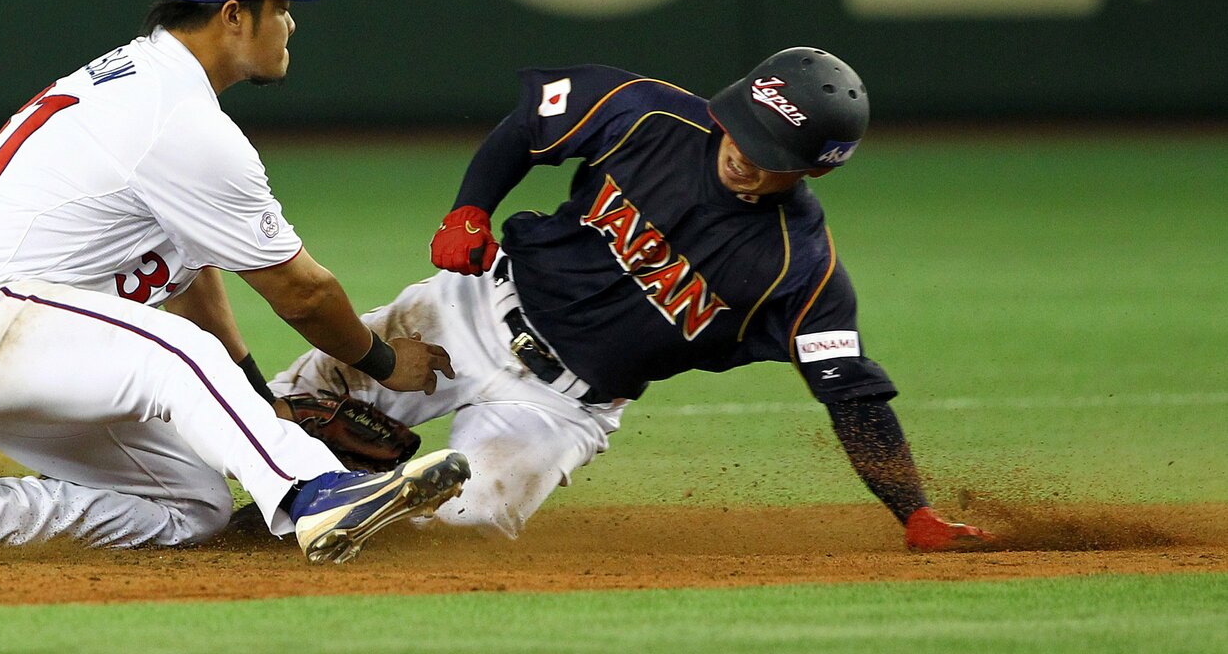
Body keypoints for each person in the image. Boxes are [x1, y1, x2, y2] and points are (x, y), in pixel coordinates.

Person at [0, 0, 469, 564]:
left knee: (194, 505)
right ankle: (317, 494)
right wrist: (385, 363)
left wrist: (261, 399)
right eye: (280, 6)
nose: (292, 24)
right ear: (233, 16)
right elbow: (302, 293)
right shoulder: (178, 119)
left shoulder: (153, 84)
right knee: (175, 352)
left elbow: (190, 274)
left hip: (13, 338)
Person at [273, 49, 993, 550]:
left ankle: (348, 517)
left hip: (558, 408)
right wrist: (470, 211)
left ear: (812, 170)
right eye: (746, 124)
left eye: (770, 148)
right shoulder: (649, 114)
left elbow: (853, 398)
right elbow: (528, 127)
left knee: (457, 531)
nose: (744, 148)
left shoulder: (798, 268)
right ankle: (262, 510)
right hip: (466, 313)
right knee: (279, 415)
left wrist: (916, 513)